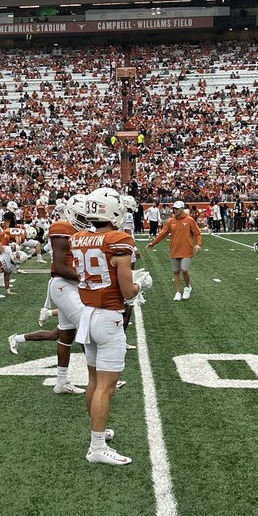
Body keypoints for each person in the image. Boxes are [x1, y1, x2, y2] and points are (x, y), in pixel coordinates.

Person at [70, 188, 151, 466]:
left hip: (87, 314)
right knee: (106, 386)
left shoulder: (78, 238)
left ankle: (98, 432)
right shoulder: (119, 239)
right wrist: (143, 283)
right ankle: (97, 446)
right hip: (109, 318)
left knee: (93, 381)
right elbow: (128, 292)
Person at [7, 193, 88, 396]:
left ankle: (61, 382)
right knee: (89, 327)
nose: (85, 219)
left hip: (71, 284)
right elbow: (59, 266)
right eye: (81, 215)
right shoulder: (62, 228)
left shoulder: (81, 230)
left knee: (65, 335)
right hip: (64, 284)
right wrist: (87, 280)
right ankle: (100, 378)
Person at [146, 200, 201, 300]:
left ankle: (187, 287)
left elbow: (197, 233)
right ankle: (177, 292)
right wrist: (153, 243)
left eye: (177, 208)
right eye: (174, 208)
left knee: (184, 269)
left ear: (182, 209)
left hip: (186, 250)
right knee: (176, 271)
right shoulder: (170, 221)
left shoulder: (189, 220)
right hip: (174, 249)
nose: (174, 210)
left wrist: (198, 245)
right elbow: (162, 234)